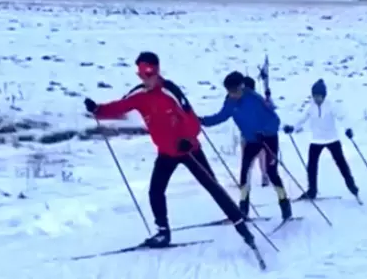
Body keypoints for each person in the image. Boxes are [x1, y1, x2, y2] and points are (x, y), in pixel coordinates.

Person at [83, 52, 256, 249]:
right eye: (141, 75)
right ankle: (163, 234)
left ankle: (243, 228)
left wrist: (188, 141)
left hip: (189, 150)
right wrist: (97, 109)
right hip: (166, 153)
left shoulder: (170, 92)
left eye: (149, 74)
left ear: (157, 71)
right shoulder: (139, 95)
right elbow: (120, 106)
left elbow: (193, 122)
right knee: (155, 191)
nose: (145, 79)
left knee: (213, 187)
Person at [200, 71, 292, 221]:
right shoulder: (230, 102)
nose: (232, 94)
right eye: (229, 91)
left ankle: (285, 205)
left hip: (268, 138)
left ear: (241, 87)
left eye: (234, 91)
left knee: (271, 172)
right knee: (244, 174)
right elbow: (221, 116)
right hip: (252, 140)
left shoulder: (255, 99)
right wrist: (202, 121)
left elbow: (275, 120)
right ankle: (243, 209)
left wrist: (264, 131)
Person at [283, 79, 359, 200]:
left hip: (332, 139)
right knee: (312, 166)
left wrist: (348, 128)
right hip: (316, 140)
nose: (317, 99)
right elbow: (302, 119)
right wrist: (292, 127)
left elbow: (342, 117)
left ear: (324, 95)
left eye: (319, 96)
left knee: (341, 164)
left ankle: (352, 186)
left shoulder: (331, 105)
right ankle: (312, 190)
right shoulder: (311, 107)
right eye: (315, 96)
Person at [242, 76, 270, 187]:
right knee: (247, 158)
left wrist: (268, 98)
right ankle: (245, 178)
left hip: (260, 135)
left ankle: (265, 176)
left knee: (262, 157)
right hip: (246, 134)